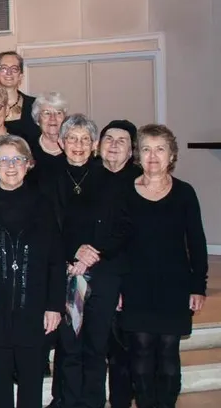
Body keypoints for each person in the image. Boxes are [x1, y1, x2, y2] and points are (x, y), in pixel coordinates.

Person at [0, 135, 64, 408]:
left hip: (33, 309)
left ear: (28, 164)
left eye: (17, 159)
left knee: (31, 384)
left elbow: (56, 260)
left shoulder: (44, 206)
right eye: (3, 159)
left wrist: (54, 306)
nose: (11, 166)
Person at [120, 124, 208, 408]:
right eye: (146, 149)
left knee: (169, 352)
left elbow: (196, 242)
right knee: (141, 352)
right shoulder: (124, 193)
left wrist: (199, 286)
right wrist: (118, 288)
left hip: (175, 286)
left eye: (160, 149)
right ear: (137, 155)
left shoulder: (184, 193)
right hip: (135, 285)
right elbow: (116, 244)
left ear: (172, 155)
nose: (153, 156)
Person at [45, 115, 129, 408]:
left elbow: (122, 228)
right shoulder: (48, 177)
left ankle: (92, 402)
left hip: (102, 273)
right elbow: (44, 228)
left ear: (94, 144)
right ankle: (65, 401)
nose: (78, 145)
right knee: (68, 345)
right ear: (61, 142)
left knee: (96, 345)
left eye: (84, 139)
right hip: (65, 272)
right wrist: (72, 254)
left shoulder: (111, 180)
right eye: (71, 139)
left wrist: (93, 252)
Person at [95, 120, 140, 408]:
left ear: (132, 149)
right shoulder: (88, 175)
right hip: (93, 273)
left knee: (123, 349)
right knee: (94, 344)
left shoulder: (140, 181)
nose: (113, 144)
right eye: (108, 138)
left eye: (121, 140)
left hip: (126, 273)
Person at [0, 51, 37, 137]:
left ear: (20, 76)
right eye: (4, 68)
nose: (9, 73)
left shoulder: (34, 105)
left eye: (14, 69)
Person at [27, 91, 69, 175]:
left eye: (58, 113)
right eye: (47, 113)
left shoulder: (74, 147)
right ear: (38, 119)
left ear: (65, 118)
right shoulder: (27, 149)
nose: (52, 118)